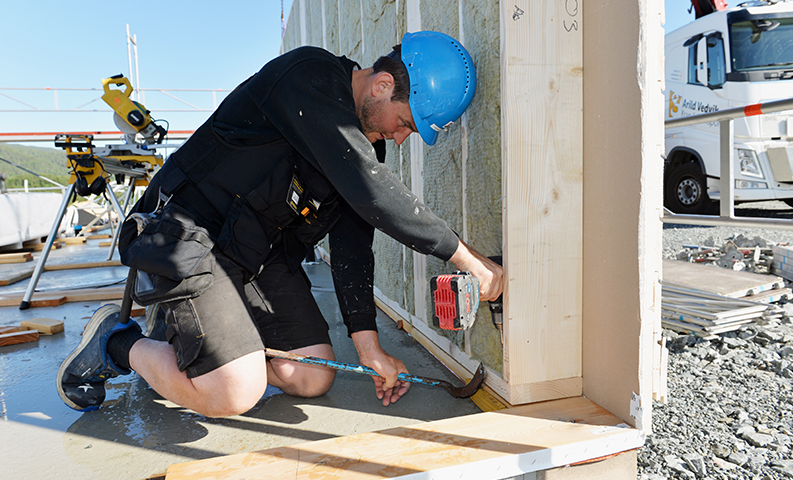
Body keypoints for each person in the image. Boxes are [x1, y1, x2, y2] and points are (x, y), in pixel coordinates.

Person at [56, 31, 504, 417]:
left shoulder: (364, 146)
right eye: (406, 123)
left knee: (313, 377)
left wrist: (370, 351)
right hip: (187, 237)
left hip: (257, 258)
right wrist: (467, 258)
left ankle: (191, 345)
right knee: (237, 390)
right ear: (382, 85)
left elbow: (352, 248)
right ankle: (116, 343)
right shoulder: (308, 76)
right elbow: (376, 195)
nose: (403, 138)